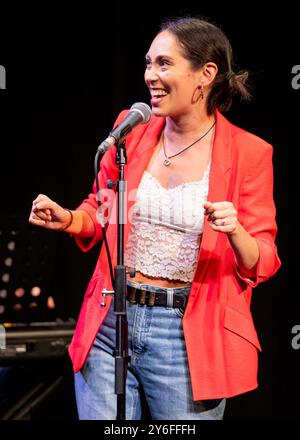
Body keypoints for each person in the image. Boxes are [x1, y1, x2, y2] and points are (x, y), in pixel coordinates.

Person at [28, 16, 281, 420]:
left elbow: (263, 260)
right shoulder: (133, 128)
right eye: (148, 63)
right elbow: (102, 207)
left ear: (205, 74)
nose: (151, 76)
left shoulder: (249, 153)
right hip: (111, 322)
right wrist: (71, 218)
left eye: (164, 64)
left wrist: (236, 231)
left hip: (185, 336)